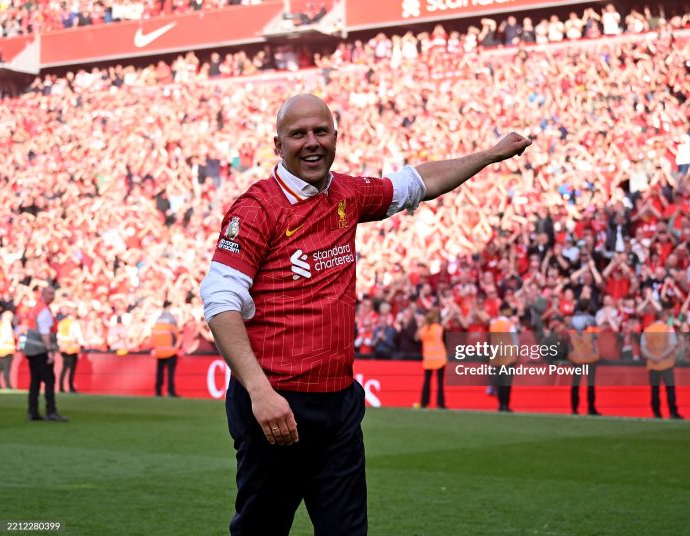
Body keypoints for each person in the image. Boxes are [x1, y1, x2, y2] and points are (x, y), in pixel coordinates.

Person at [199, 93, 531, 536]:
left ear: (336, 137)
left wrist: (489, 155)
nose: (311, 142)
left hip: (339, 406)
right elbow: (220, 301)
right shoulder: (256, 209)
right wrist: (259, 391)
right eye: (298, 134)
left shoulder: (348, 194)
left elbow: (417, 182)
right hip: (276, 405)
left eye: (321, 131)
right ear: (278, 145)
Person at [22, 287, 69, 422]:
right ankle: (51, 411)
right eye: (50, 293)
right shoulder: (44, 311)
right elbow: (45, 333)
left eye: (53, 294)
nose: (52, 296)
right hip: (40, 350)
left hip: (31, 350)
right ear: (43, 295)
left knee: (35, 381)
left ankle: (33, 411)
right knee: (49, 380)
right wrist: (50, 351)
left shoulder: (36, 309)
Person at [641, 309, 683, 419]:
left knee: (655, 390)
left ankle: (656, 412)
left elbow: (643, 348)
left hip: (653, 364)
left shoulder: (647, 330)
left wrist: (653, 357)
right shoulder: (668, 329)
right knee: (670, 389)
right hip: (666, 363)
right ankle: (672, 412)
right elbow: (672, 346)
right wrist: (662, 356)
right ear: (663, 317)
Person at [489, 304, 519, 412]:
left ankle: (500, 404)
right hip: (508, 355)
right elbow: (515, 341)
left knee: (499, 382)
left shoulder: (493, 324)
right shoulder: (510, 324)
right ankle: (505, 404)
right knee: (506, 382)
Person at [415, 309, 447, 409]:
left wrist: (422, 324)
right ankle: (440, 403)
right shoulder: (438, 328)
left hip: (428, 359)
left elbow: (416, 337)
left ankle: (424, 402)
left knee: (427, 381)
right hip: (440, 358)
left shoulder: (424, 329)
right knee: (440, 382)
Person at [568, 321, 601, 415]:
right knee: (590, 385)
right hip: (590, 360)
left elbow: (569, 349)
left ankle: (574, 409)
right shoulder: (590, 334)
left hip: (577, 361)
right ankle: (591, 408)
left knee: (575, 385)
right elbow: (596, 347)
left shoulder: (572, 334)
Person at [151, 301, 181, 397]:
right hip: (170, 351)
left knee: (160, 372)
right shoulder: (171, 320)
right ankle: (170, 391)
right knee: (170, 373)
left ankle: (158, 391)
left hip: (159, 351)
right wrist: (176, 347)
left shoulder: (157, 320)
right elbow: (178, 336)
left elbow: (154, 336)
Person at [57, 303, 84, 393]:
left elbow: (59, 335)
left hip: (63, 347)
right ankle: (70, 386)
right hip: (72, 347)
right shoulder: (74, 323)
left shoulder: (62, 323)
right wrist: (82, 343)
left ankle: (61, 386)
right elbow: (78, 336)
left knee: (64, 367)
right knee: (72, 368)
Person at [0, 310, 16, 389]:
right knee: (6, 369)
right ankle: (8, 385)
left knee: (0, 369)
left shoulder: (1, 324)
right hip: (7, 350)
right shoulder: (5, 325)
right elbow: (5, 337)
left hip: (3, 349)